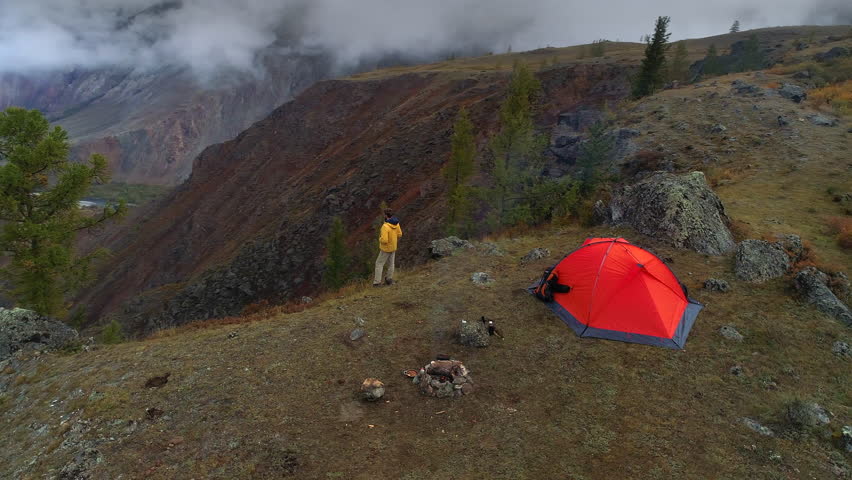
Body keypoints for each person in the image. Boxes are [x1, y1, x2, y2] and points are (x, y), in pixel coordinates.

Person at [374, 209, 402, 286]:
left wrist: (379, 238)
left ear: (386, 215)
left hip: (386, 249)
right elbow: (399, 234)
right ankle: (389, 279)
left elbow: (384, 240)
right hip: (393, 247)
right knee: (391, 264)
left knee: (379, 264)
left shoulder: (385, 226)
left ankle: (377, 283)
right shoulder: (396, 223)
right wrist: (393, 238)